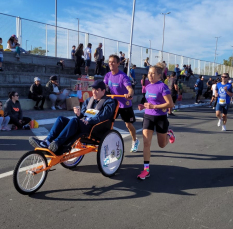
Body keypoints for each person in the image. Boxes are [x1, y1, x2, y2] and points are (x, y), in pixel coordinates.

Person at [29, 80, 116, 153]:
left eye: (97, 89)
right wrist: (78, 114)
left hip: (94, 127)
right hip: (84, 123)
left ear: (103, 91)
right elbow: (82, 114)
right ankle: (47, 141)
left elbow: (104, 116)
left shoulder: (109, 102)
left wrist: (90, 121)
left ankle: (56, 143)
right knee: (61, 119)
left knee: (74, 121)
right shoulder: (89, 100)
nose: (94, 91)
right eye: (93, 89)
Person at [137, 63, 175, 180]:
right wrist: (143, 106)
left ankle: (169, 133)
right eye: (149, 73)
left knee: (162, 145)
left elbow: (170, 104)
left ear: (159, 75)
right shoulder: (147, 86)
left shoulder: (163, 87)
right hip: (148, 116)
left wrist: (154, 107)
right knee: (146, 143)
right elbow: (148, 101)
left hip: (160, 118)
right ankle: (146, 170)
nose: (150, 75)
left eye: (153, 73)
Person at [104, 54, 140, 152]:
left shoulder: (123, 76)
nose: (111, 64)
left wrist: (129, 94)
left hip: (124, 104)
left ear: (118, 63)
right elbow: (104, 87)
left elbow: (130, 89)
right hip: (113, 103)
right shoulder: (107, 75)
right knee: (108, 123)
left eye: (113, 62)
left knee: (128, 125)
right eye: (109, 62)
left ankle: (135, 141)